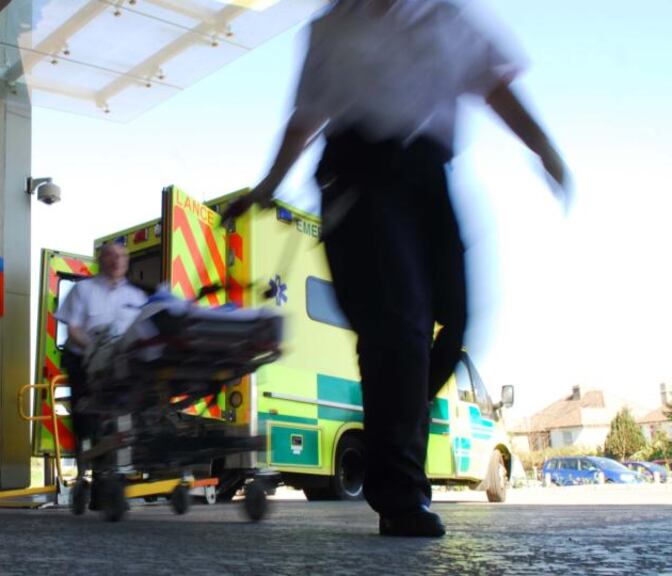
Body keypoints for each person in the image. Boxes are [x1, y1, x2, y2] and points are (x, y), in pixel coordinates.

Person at [224, 0, 569, 537]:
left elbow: (493, 85)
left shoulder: (444, 16)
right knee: (398, 326)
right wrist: (268, 186)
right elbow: (306, 119)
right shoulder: (332, 26)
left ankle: (395, 407)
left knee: (454, 323)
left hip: (427, 174)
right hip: (356, 175)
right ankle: (400, 494)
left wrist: (543, 146)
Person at [55, 242, 147, 504]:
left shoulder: (136, 298)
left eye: (121, 256)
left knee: (124, 415)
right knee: (88, 419)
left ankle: (114, 475)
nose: (116, 261)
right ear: (101, 260)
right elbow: (73, 330)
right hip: (84, 360)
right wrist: (97, 350)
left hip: (120, 363)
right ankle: (88, 472)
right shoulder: (83, 290)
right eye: (110, 256)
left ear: (127, 261)